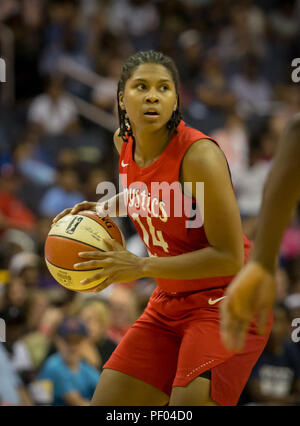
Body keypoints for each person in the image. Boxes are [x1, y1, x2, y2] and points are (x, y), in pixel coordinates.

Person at [53, 50, 271, 406]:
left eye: (163, 88)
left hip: (227, 300)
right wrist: (106, 206)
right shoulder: (123, 142)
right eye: (141, 86)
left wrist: (140, 267)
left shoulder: (200, 156)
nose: (153, 95)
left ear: (175, 100)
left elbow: (230, 258)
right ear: (122, 98)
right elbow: (150, 191)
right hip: (169, 302)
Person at [221, 113, 300, 352]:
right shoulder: (237, 168)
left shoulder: (269, 168)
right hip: (248, 221)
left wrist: (263, 263)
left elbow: (295, 131)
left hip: (262, 222)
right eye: (270, 137)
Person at [38, 317, 100, 406]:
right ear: (58, 341)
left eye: (77, 341)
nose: (72, 347)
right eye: (68, 341)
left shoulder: (84, 366)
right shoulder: (53, 366)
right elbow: (76, 402)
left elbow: (103, 391)